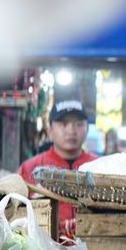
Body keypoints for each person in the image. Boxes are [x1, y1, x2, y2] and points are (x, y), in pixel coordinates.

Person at [19, 99, 99, 236]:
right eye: (63, 124)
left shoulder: (99, 168)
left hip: (93, 247)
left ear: (87, 128)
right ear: (50, 130)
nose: (71, 130)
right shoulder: (30, 168)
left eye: (78, 124)